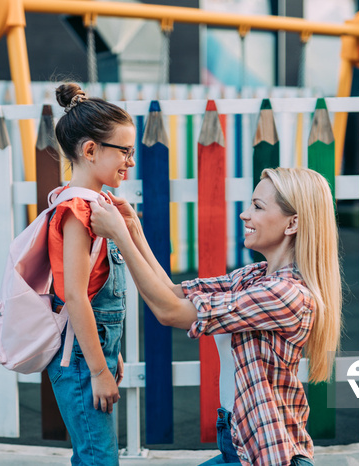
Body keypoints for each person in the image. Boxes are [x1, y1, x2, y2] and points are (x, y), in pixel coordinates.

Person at [90, 167, 342, 466]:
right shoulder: (255, 277)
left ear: (293, 223)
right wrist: (133, 229)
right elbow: (171, 292)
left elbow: (168, 312)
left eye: (258, 207)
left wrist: (119, 236)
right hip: (236, 438)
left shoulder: (286, 295)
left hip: (268, 455)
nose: (244, 215)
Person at [46, 83, 135, 466]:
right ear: (90, 150)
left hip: (91, 350)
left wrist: (106, 353)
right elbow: (76, 296)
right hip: (80, 358)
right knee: (99, 457)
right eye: (125, 152)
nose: (130, 161)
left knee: (92, 455)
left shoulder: (99, 205)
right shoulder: (79, 213)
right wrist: (98, 369)